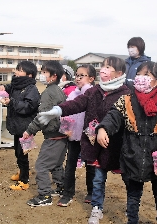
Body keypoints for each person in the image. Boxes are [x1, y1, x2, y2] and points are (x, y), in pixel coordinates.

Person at [37, 56, 131, 223]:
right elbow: (77, 104)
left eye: (108, 67)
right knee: (98, 178)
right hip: (94, 142)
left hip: (116, 144)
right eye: (103, 66)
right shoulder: (94, 91)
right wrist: (59, 110)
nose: (104, 69)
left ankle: (132, 208)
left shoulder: (126, 93)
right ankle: (96, 208)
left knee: (128, 178)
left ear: (119, 73)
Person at [96, 61, 157, 224]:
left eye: (146, 75)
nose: (140, 78)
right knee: (133, 192)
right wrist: (103, 128)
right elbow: (113, 116)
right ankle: (133, 219)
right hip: (133, 153)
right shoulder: (126, 100)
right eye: (139, 74)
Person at [24, 60, 68, 206]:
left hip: (53, 136)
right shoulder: (59, 90)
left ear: (53, 76)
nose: (42, 75)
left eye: (44, 72)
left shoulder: (49, 93)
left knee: (41, 166)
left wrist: (29, 130)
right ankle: (61, 187)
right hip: (62, 135)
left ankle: (44, 195)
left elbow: (43, 116)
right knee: (56, 164)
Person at [57, 64, 97, 207]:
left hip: (89, 136)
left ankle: (91, 192)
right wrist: (66, 127)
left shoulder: (93, 94)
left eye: (82, 75)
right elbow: (67, 112)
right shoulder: (73, 94)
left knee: (91, 165)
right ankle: (68, 193)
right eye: (77, 75)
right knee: (70, 164)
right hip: (74, 136)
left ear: (91, 78)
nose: (78, 78)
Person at [1, 61, 40, 190]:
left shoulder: (31, 89)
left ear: (29, 75)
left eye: (20, 70)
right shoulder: (15, 85)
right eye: (17, 69)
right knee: (18, 153)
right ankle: (23, 172)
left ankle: (24, 180)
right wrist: (2, 87)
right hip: (16, 125)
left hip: (25, 128)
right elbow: (8, 88)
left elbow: (29, 107)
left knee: (22, 154)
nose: (16, 72)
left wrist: (12, 102)